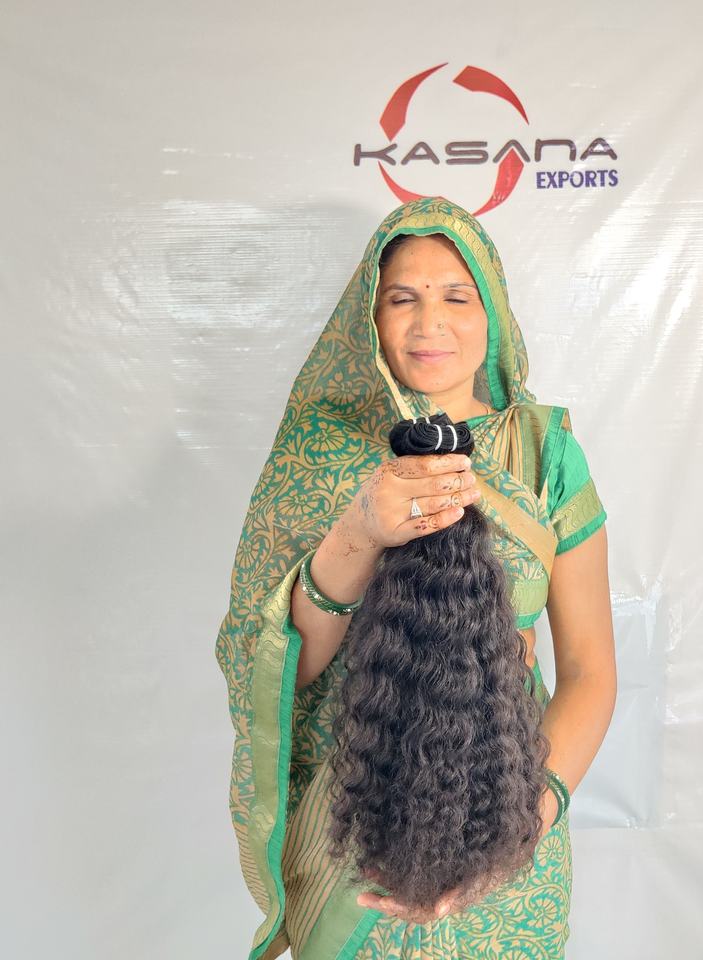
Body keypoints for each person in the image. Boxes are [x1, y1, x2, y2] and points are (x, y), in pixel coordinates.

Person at [215, 196, 617, 960]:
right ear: (370, 319)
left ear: (493, 313)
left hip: (505, 846)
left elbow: (591, 672)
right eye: (403, 299)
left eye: (456, 297)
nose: (430, 322)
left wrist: (518, 830)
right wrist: (360, 531)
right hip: (352, 838)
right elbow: (274, 659)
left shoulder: (545, 454)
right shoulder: (318, 453)